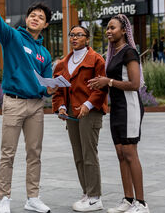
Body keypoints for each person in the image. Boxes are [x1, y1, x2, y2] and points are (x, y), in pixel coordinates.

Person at [0, 0, 57, 213]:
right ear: (27, 18)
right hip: (13, 102)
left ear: (46, 25)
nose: (35, 18)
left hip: (36, 106)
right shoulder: (12, 37)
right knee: (8, 153)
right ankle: (4, 198)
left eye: (41, 17)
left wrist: (51, 89)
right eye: (33, 15)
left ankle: (33, 197)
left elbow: (47, 84)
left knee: (34, 153)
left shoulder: (45, 53)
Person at [88, 14, 150, 213]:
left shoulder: (129, 52)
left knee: (131, 154)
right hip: (117, 109)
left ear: (124, 30)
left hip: (130, 107)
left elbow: (134, 84)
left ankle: (141, 204)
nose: (108, 31)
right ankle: (128, 199)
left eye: (112, 27)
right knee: (121, 154)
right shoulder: (113, 54)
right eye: (107, 27)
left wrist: (109, 82)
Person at [52, 26, 108, 212]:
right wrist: (60, 106)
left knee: (89, 154)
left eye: (79, 35)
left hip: (90, 112)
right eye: (72, 35)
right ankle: (86, 192)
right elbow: (58, 91)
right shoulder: (62, 64)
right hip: (71, 113)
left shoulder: (96, 60)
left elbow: (101, 89)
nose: (74, 38)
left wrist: (88, 105)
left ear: (87, 38)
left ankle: (95, 197)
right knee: (78, 156)